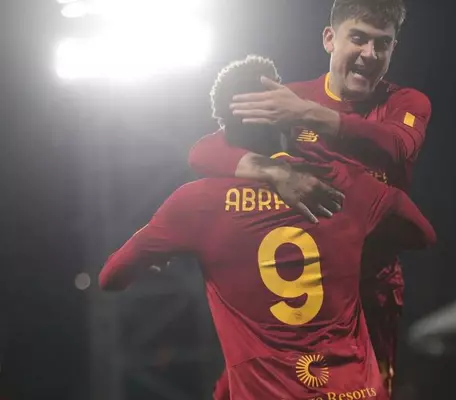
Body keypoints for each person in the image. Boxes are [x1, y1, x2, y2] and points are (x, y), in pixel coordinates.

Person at [99, 55, 436, 399]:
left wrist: (151, 257)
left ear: (224, 130)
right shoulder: (346, 182)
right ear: (285, 119)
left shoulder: (194, 204)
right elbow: (422, 234)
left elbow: (111, 277)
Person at [187, 0, 431, 393]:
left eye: (382, 44)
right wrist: (274, 172)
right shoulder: (291, 99)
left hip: (371, 295)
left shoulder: (405, 104)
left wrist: (307, 115)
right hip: (300, 289)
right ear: (329, 39)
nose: (370, 54)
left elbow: (398, 147)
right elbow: (204, 151)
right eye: (358, 38)